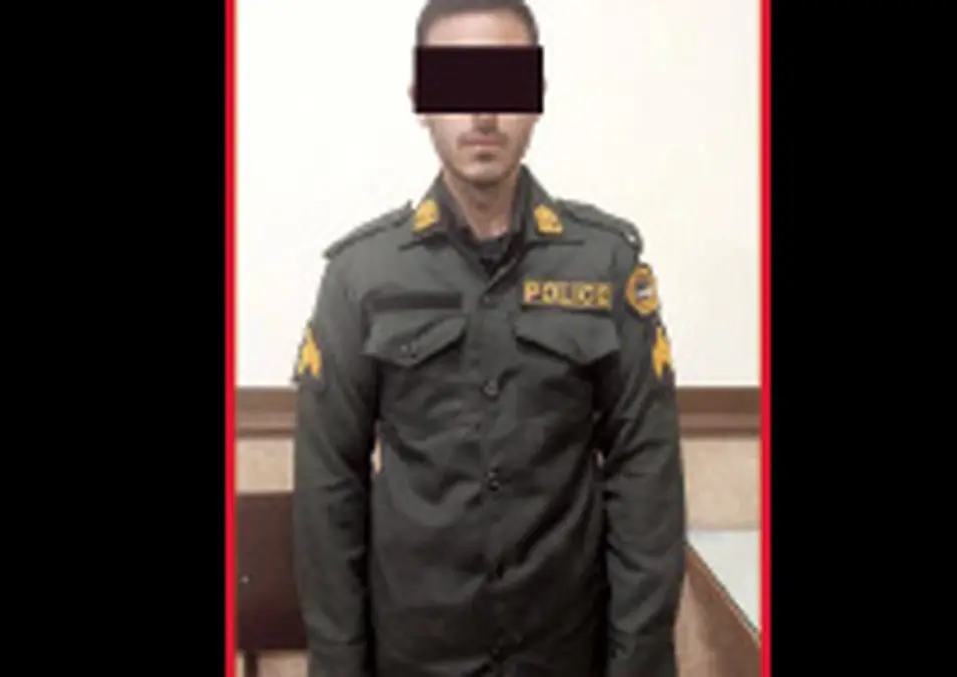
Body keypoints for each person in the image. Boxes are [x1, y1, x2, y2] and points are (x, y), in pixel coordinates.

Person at [291, 1, 685, 675]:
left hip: (566, 651)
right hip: (415, 655)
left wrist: (639, 660)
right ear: (420, 100)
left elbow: (645, 475)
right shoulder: (362, 276)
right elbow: (329, 489)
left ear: (536, 98)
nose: (482, 112)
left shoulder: (606, 265)